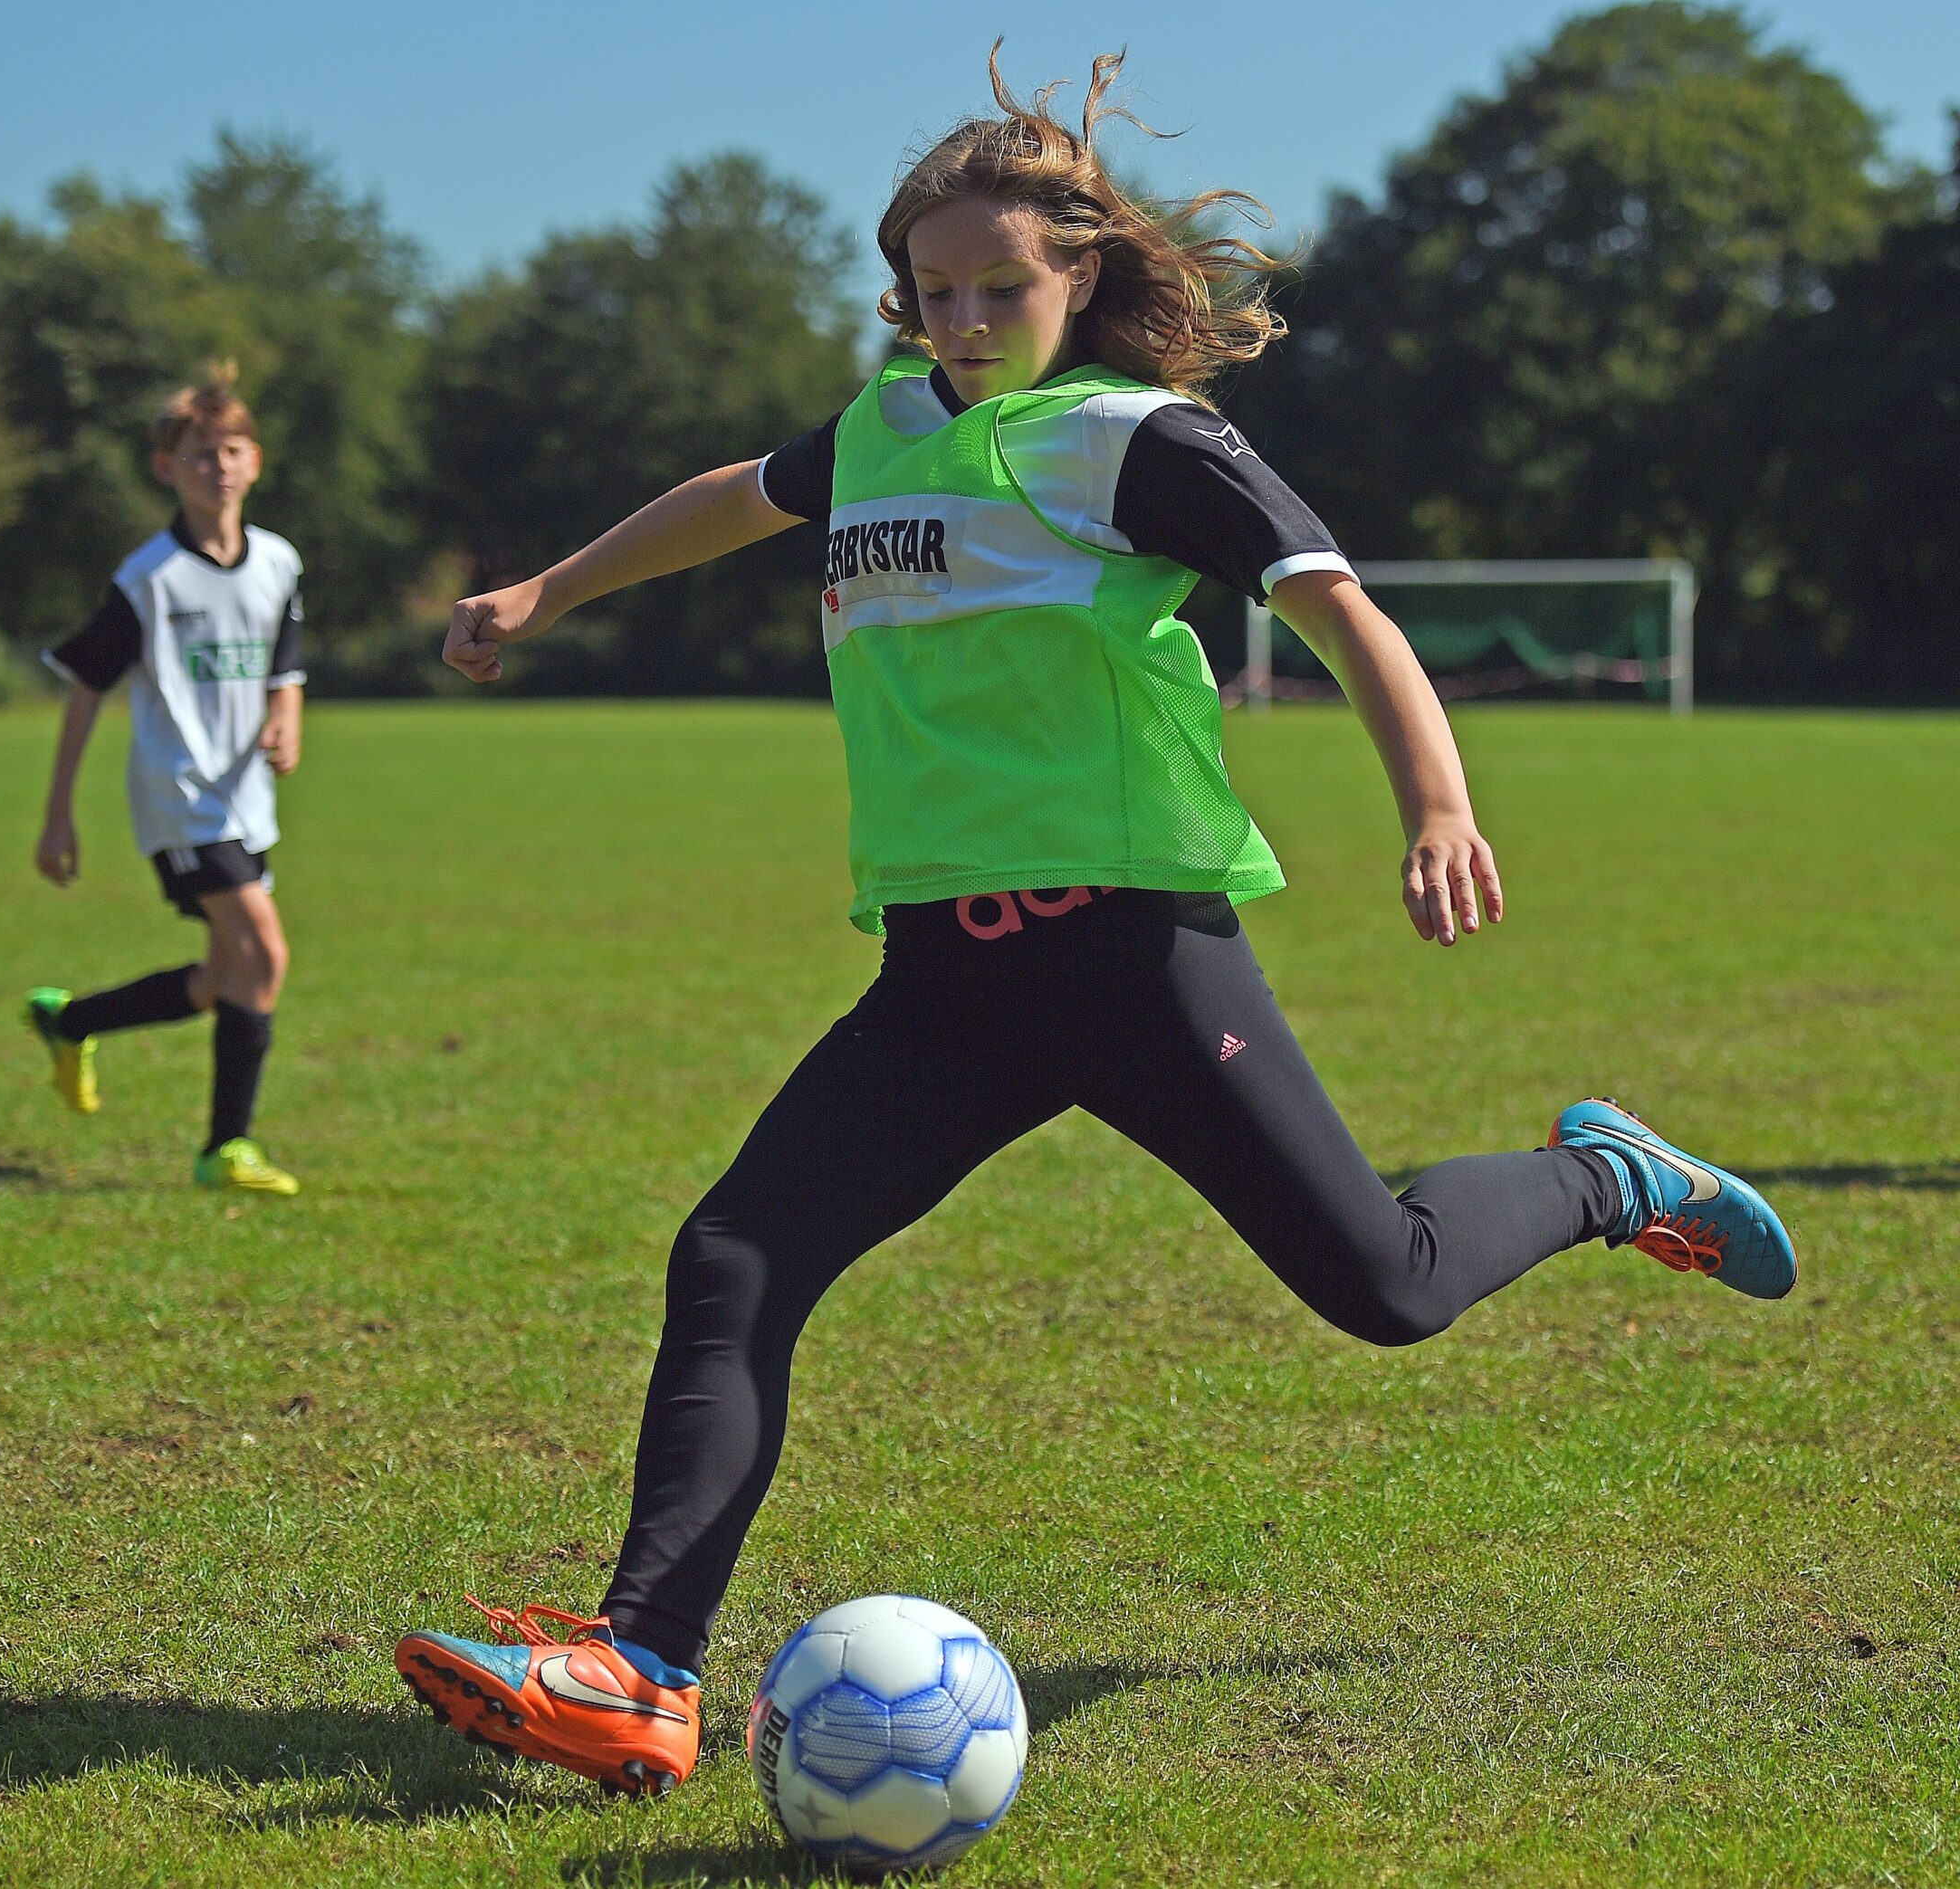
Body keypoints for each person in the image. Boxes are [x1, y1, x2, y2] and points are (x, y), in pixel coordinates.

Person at [394, 52, 1796, 1795]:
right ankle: (641, 1665)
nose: (965, 317)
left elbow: (1338, 607)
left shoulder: (1136, 442)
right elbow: (737, 493)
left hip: (1133, 954)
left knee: (1385, 1286)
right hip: (943, 980)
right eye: (937, 290)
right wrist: (545, 588)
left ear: (1081, 282)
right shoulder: (881, 432)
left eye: (1002, 287)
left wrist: (1438, 801)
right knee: (738, 1256)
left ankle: (1614, 1177)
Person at [24, 366, 305, 1197]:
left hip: (247, 795)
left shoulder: (280, 562)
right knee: (266, 952)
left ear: (254, 460)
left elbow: (285, 663)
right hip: (179, 796)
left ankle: (68, 1020)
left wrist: (285, 714)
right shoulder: (148, 578)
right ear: (166, 468)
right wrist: (57, 815)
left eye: (231, 449)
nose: (216, 466)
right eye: (197, 453)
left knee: (220, 980)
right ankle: (227, 1148)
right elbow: (85, 690)